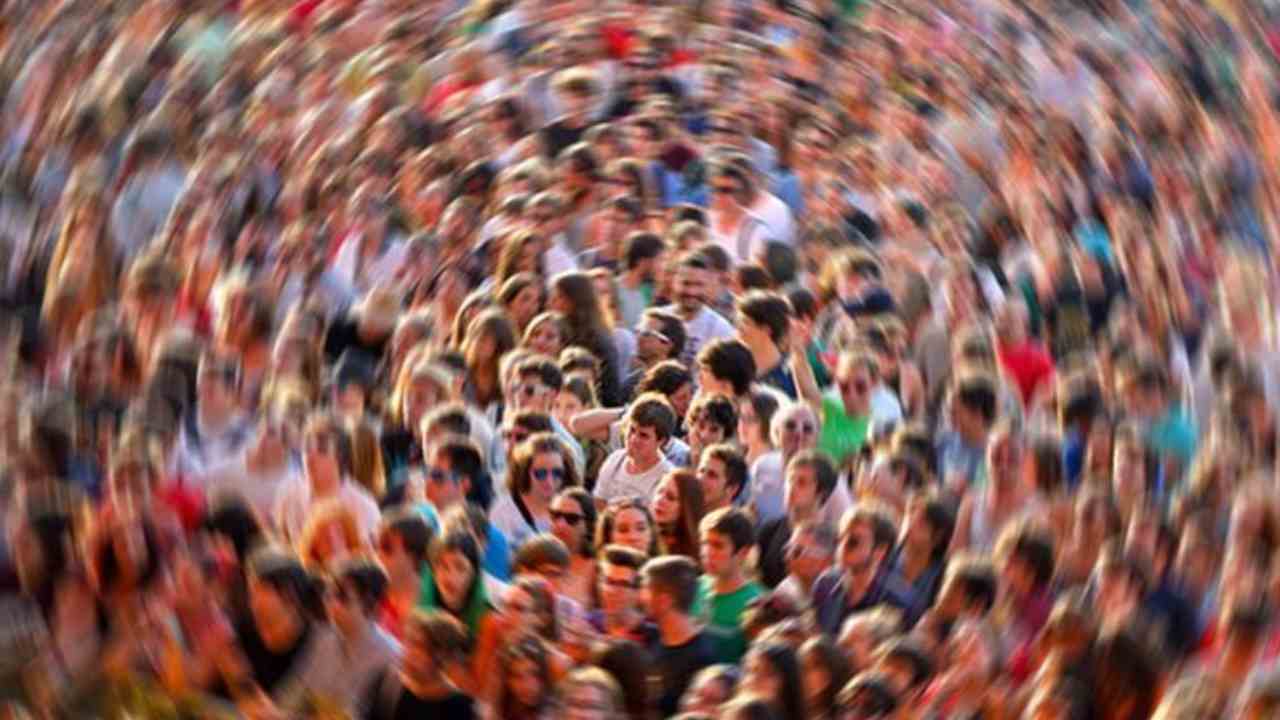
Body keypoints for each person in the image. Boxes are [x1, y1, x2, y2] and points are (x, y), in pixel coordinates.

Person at [274, 412, 381, 544]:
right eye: (307, 447)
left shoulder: (363, 507)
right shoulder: (289, 489)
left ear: (341, 458)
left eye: (322, 449)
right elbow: (280, 539)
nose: (310, 456)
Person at [642, 555, 721, 718]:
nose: (641, 596)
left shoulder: (701, 658)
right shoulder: (653, 638)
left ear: (664, 600)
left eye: (646, 589)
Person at [361, 610, 475, 720]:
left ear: (442, 655)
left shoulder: (459, 707)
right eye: (408, 642)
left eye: (419, 646)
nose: (409, 652)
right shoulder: (387, 684)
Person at [811, 504, 906, 635]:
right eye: (840, 539)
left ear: (880, 551)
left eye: (853, 542)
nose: (842, 547)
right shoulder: (825, 584)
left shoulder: (898, 603)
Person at [756, 450, 839, 589]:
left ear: (822, 493)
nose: (791, 488)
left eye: (801, 483)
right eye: (790, 480)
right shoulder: (769, 531)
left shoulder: (832, 539)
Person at [694, 507, 763, 664]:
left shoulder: (757, 603)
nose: (708, 552)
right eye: (705, 543)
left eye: (718, 545)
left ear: (743, 553)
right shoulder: (692, 588)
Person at [595, 393, 677, 501]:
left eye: (643, 435)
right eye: (632, 430)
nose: (633, 439)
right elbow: (599, 502)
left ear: (661, 441)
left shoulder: (666, 478)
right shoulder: (615, 460)